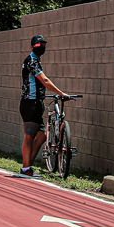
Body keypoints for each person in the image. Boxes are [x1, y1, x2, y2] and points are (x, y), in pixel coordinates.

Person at [18, 34, 72, 177]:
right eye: (38, 45)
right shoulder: (31, 61)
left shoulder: (36, 61)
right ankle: (25, 169)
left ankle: (28, 165)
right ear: (32, 46)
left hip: (36, 103)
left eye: (43, 44)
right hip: (30, 102)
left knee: (42, 136)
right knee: (29, 135)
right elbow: (45, 81)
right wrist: (61, 93)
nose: (41, 47)